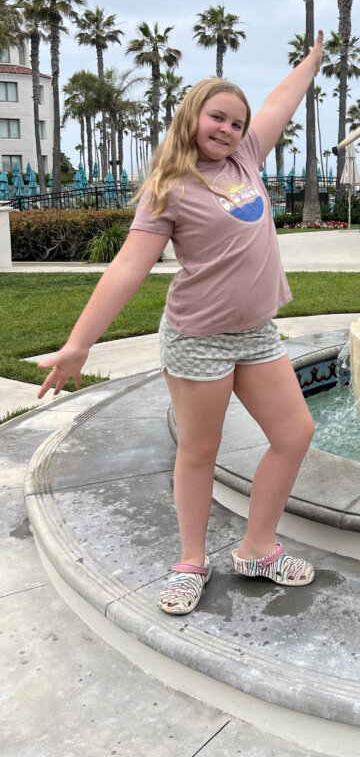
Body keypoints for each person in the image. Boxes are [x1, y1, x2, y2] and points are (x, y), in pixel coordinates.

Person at [38, 31, 325, 616]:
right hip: (198, 338)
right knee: (199, 449)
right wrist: (78, 344)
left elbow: (280, 102)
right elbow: (128, 268)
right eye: (217, 117)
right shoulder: (168, 188)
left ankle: (257, 549)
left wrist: (312, 62)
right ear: (192, 116)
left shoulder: (246, 158)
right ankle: (192, 561)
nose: (228, 129)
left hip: (256, 332)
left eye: (237, 122)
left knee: (295, 434)